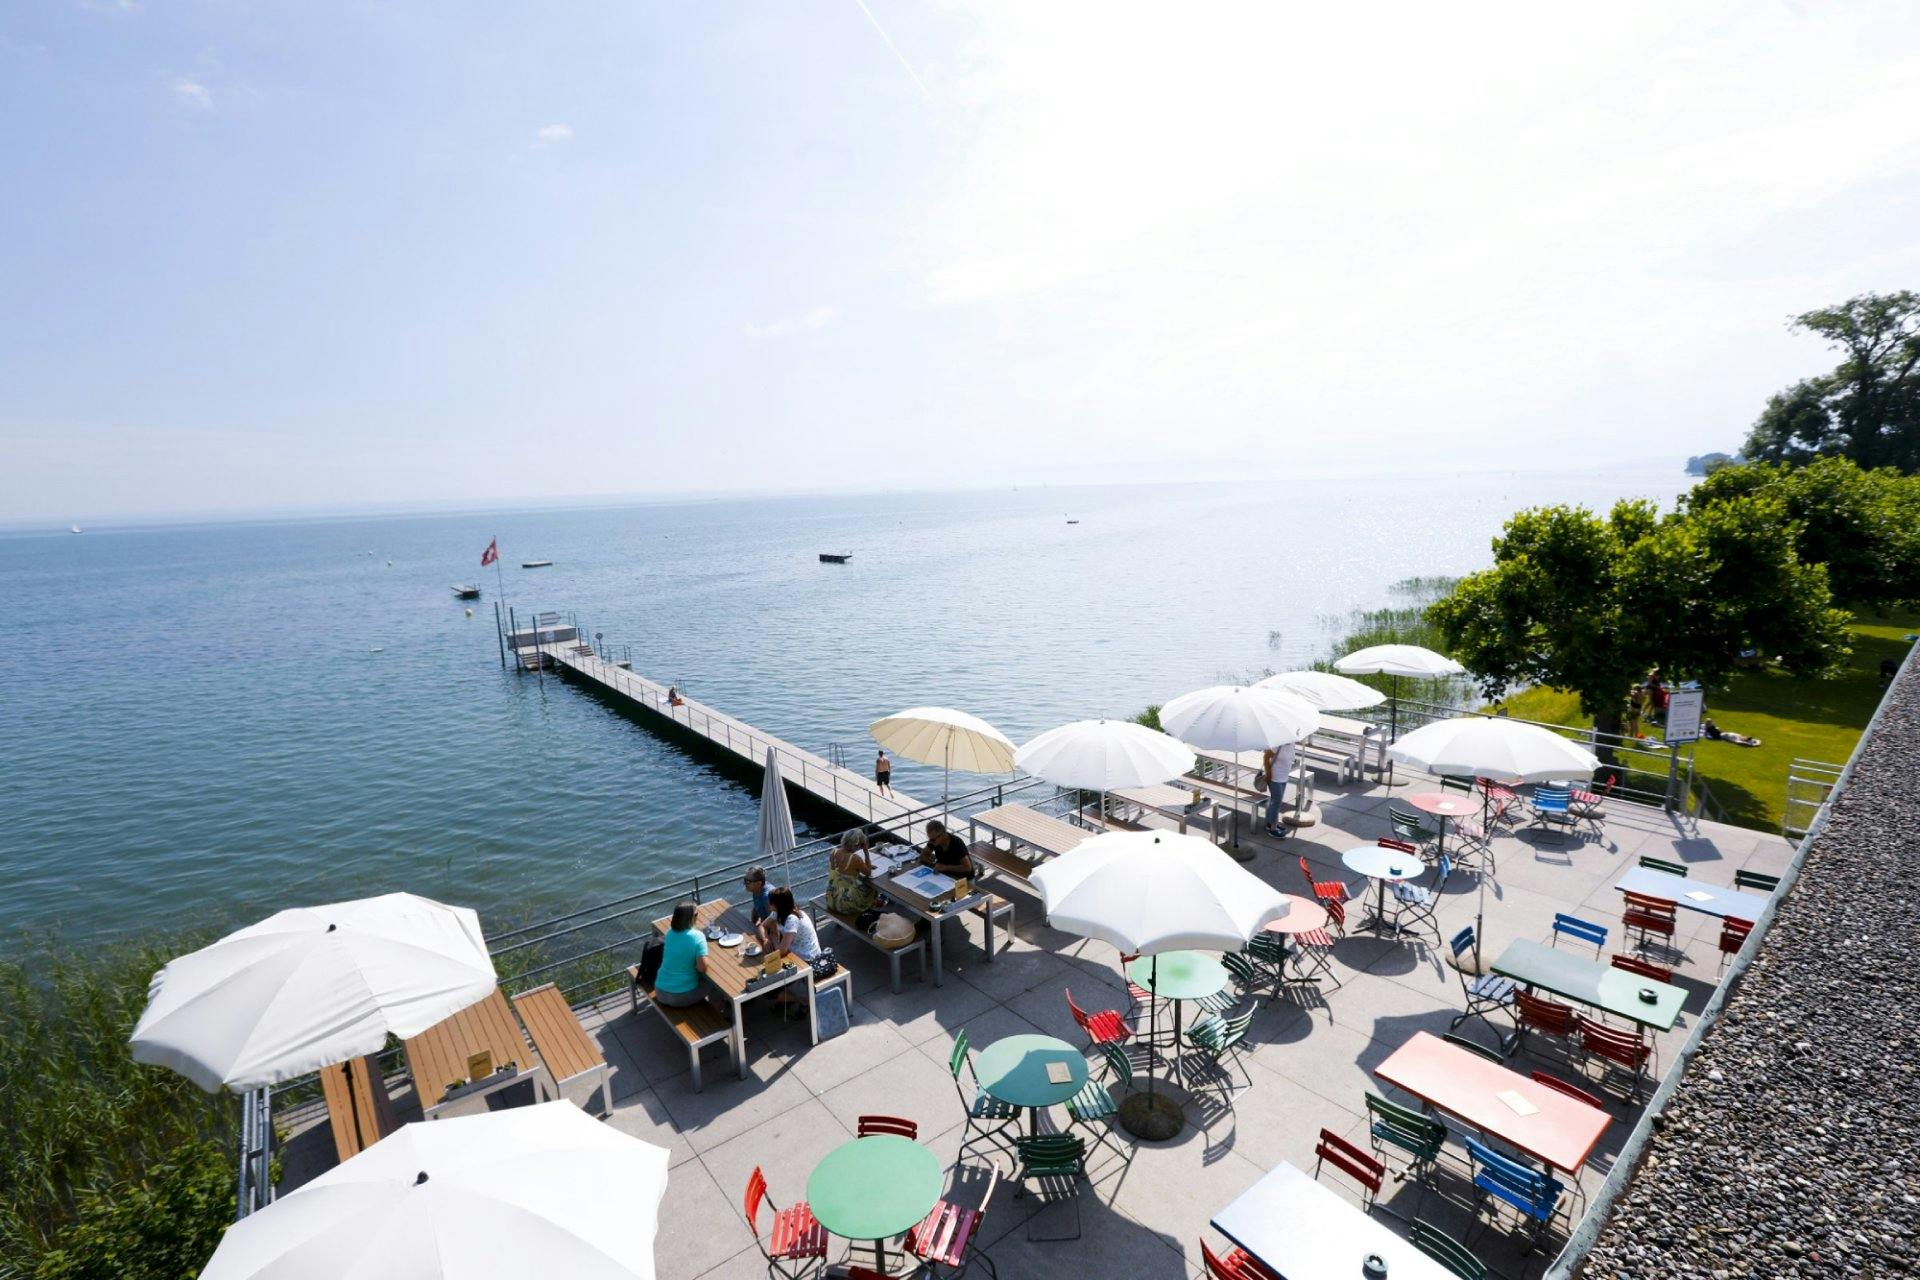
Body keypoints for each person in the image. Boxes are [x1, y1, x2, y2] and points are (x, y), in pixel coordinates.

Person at [766, 887, 823, 1018]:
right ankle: (786, 998)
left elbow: (782, 951)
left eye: (771, 902)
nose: (769, 905)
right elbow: (764, 926)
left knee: (770, 989)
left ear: (777, 904)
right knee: (771, 981)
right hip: (794, 955)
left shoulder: (793, 919)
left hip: (808, 960)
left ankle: (802, 1001)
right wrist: (765, 939)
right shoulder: (779, 913)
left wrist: (773, 939)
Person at [653, 901, 714, 1008]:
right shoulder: (698, 936)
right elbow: (702, 968)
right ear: (690, 918)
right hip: (680, 997)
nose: (697, 917)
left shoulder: (670, 933)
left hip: (660, 991)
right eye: (696, 915)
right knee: (714, 983)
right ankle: (723, 1016)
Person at [826, 829, 881, 919]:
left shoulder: (833, 852)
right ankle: (871, 905)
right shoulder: (854, 858)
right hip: (845, 904)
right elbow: (868, 873)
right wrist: (866, 852)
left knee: (855, 882)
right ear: (857, 844)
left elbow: (841, 872)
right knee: (872, 888)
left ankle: (873, 903)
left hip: (832, 898)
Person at [1263, 738, 1297, 837]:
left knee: (1275, 800)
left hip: (1284, 776)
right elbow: (1266, 757)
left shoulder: (1292, 743)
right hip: (1275, 777)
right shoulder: (1277, 744)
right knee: (1277, 802)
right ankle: (1273, 828)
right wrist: (1268, 773)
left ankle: (1270, 823)